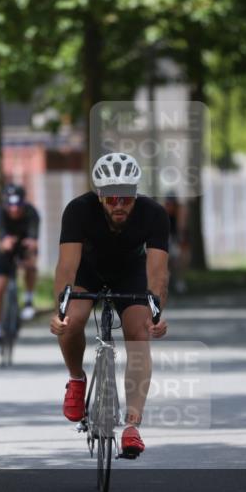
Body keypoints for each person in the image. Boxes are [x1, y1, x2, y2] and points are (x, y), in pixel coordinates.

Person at [49, 153, 169, 457]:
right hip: (88, 271)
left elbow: (157, 273)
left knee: (139, 331)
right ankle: (77, 378)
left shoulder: (153, 214)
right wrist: (59, 312)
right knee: (72, 321)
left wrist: (156, 314)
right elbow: (66, 267)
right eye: (113, 198)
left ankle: (132, 426)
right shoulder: (78, 210)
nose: (120, 205)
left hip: (130, 273)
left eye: (127, 199)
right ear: (100, 195)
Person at [0, 184, 40, 355]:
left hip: (25, 246)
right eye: (11, 206)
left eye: (18, 206)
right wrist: (5, 241)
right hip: (6, 249)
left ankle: (29, 300)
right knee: (0, 287)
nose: (14, 210)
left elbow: (33, 237)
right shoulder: (0, 213)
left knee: (31, 264)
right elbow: (1, 235)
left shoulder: (32, 213)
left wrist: (31, 243)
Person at [163, 193, 187, 294]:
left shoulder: (179, 212)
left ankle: (179, 282)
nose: (170, 206)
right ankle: (167, 284)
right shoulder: (163, 212)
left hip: (176, 238)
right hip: (167, 238)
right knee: (167, 261)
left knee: (179, 260)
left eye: (172, 204)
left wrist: (179, 239)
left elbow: (181, 228)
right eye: (168, 203)